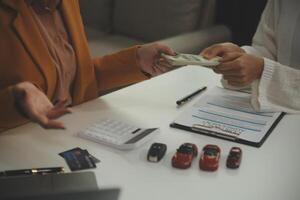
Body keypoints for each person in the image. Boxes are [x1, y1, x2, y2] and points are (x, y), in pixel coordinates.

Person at [0, 0, 175, 132]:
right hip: (18, 143)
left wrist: (136, 61)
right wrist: (16, 100)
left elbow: (77, 79)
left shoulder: (66, 4)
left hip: (73, 132)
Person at [200, 0, 300, 113]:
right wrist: (239, 56)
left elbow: (264, 67)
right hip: (274, 114)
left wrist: (262, 70)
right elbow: (270, 50)